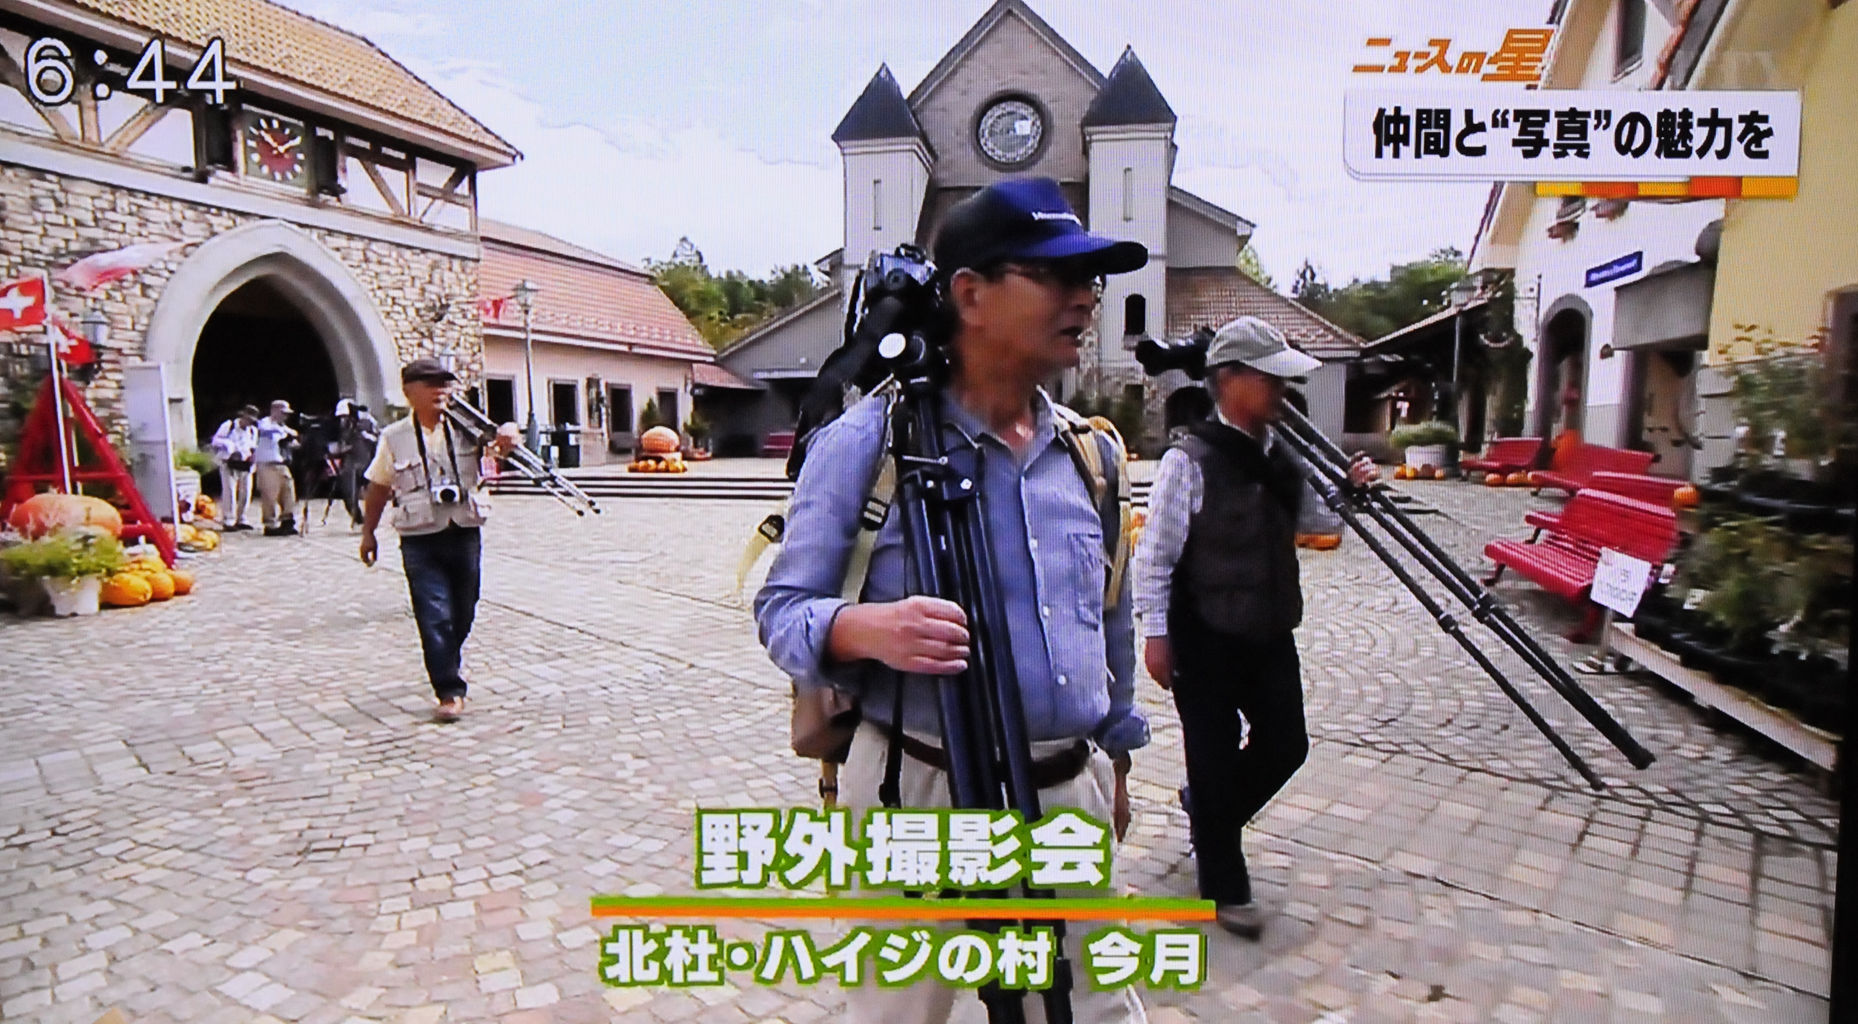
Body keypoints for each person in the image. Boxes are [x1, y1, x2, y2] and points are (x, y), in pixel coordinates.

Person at [755, 177, 1150, 1024]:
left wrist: (1114, 764)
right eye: (1054, 276)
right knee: (900, 1015)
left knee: (1097, 1013)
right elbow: (782, 610)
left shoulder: (1094, 457)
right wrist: (863, 628)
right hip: (919, 790)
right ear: (970, 294)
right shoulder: (865, 443)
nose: (1085, 298)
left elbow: (1112, 618)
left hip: (1067, 790)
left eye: (1089, 279)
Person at [1132, 316, 1378, 939]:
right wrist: (1155, 635)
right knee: (1212, 757)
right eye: (1270, 379)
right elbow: (1154, 556)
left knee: (1286, 744)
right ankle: (1224, 883)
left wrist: (1351, 490)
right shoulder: (1188, 461)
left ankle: (1209, 813)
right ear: (1230, 379)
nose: (1281, 391)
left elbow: (1320, 523)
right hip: (1203, 632)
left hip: (1269, 628)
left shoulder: (1283, 457)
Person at [359, 359, 516, 722]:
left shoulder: (466, 428)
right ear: (409, 392)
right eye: (430, 384)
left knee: (464, 609)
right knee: (433, 614)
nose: (440, 390)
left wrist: (510, 431)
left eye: (445, 383)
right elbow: (379, 487)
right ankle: (448, 689)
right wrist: (369, 533)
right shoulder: (394, 437)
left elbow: (501, 444)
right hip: (419, 537)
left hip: (463, 530)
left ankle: (446, 658)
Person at [209, 404, 260, 531]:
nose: (249, 422)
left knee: (246, 492)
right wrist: (230, 446)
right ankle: (229, 520)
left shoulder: (253, 431)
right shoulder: (229, 425)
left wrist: (252, 456)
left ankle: (242, 518)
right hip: (229, 462)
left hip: (245, 464)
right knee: (230, 492)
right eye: (248, 419)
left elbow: (253, 446)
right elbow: (215, 440)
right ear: (243, 416)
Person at [254, 399, 299, 536]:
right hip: (267, 464)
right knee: (270, 495)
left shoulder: (283, 426)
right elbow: (266, 430)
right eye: (283, 413)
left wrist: (291, 439)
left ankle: (288, 519)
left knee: (288, 491)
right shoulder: (265, 423)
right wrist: (284, 434)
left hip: (281, 464)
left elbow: (293, 436)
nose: (285, 416)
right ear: (274, 411)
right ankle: (270, 524)